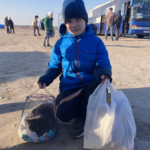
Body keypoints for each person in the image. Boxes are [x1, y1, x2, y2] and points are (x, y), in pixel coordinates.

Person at [38, 0, 112, 139]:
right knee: (62, 114)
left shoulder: (96, 41)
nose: (74, 24)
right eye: (69, 21)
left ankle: (82, 118)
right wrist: (45, 78)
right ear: (65, 23)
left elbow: (103, 61)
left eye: (78, 19)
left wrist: (104, 73)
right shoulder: (60, 43)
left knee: (100, 91)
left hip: (89, 86)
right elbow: (54, 65)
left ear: (85, 19)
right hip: (69, 88)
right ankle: (84, 111)